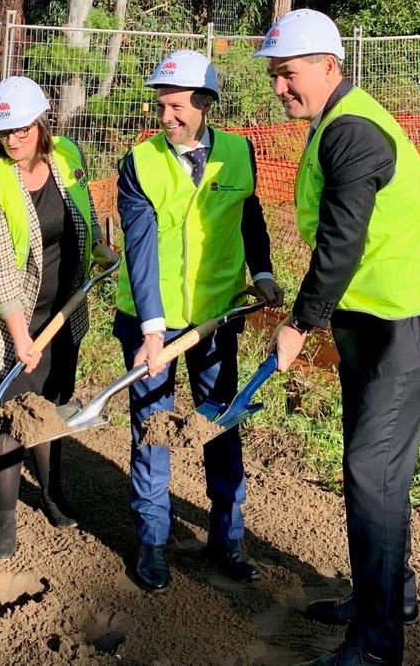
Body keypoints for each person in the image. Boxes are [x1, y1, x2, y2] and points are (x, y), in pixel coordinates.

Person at [255, 10, 420, 666]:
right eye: (273, 76)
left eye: (287, 73)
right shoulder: (339, 118)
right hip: (373, 320)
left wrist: (297, 323)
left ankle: (377, 644)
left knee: (369, 472)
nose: (279, 88)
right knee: (377, 467)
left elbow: (341, 241)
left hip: (403, 323)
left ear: (328, 64)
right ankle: (390, 592)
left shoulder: (353, 131)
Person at [113, 49, 283, 591]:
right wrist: (153, 329)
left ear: (205, 103)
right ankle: (154, 542)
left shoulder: (238, 152)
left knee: (221, 422)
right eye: (161, 107)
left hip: (215, 317)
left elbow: (249, 214)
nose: (166, 118)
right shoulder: (138, 164)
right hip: (149, 322)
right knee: (153, 429)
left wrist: (261, 270)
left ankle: (227, 538)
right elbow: (139, 250)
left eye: (178, 107)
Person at [0, 76, 116, 560]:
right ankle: (4, 517)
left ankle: (51, 493)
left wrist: (101, 249)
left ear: (42, 124)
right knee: (5, 420)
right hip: (1, 320)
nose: (12, 140)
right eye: (3, 133)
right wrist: (21, 337)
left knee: (52, 405)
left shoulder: (68, 156)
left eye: (21, 130)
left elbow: (81, 215)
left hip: (60, 311)